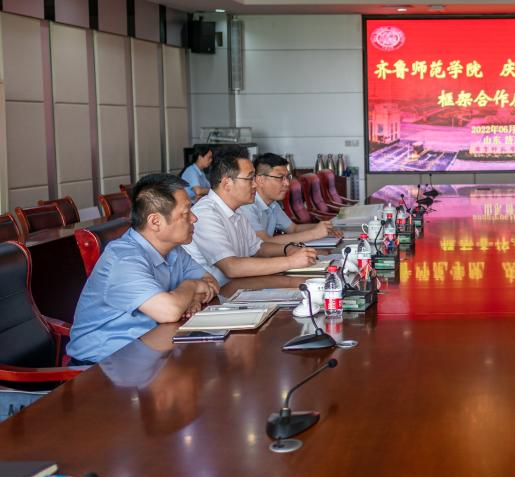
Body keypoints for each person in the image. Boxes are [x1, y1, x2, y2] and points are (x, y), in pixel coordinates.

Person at [66, 174, 219, 364]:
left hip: (150, 351)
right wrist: (192, 286)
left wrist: (193, 297)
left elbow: (211, 282)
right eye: (186, 213)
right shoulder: (123, 259)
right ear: (155, 222)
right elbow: (169, 311)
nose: (194, 218)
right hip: (102, 366)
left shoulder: (174, 250)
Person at [182, 145, 318, 285]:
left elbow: (258, 248)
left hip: (239, 286)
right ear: (227, 183)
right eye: (249, 179)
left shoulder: (238, 210)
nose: (255, 185)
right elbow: (231, 267)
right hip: (218, 294)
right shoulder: (205, 214)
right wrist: (290, 262)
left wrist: (288, 249)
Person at [239, 152, 341, 243]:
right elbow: (264, 242)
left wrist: (324, 227)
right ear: (260, 180)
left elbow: (293, 229)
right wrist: (314, 234)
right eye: (280, 177)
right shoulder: (248, 206)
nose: (287, 183)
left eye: (287, 177)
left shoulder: (273, 204)